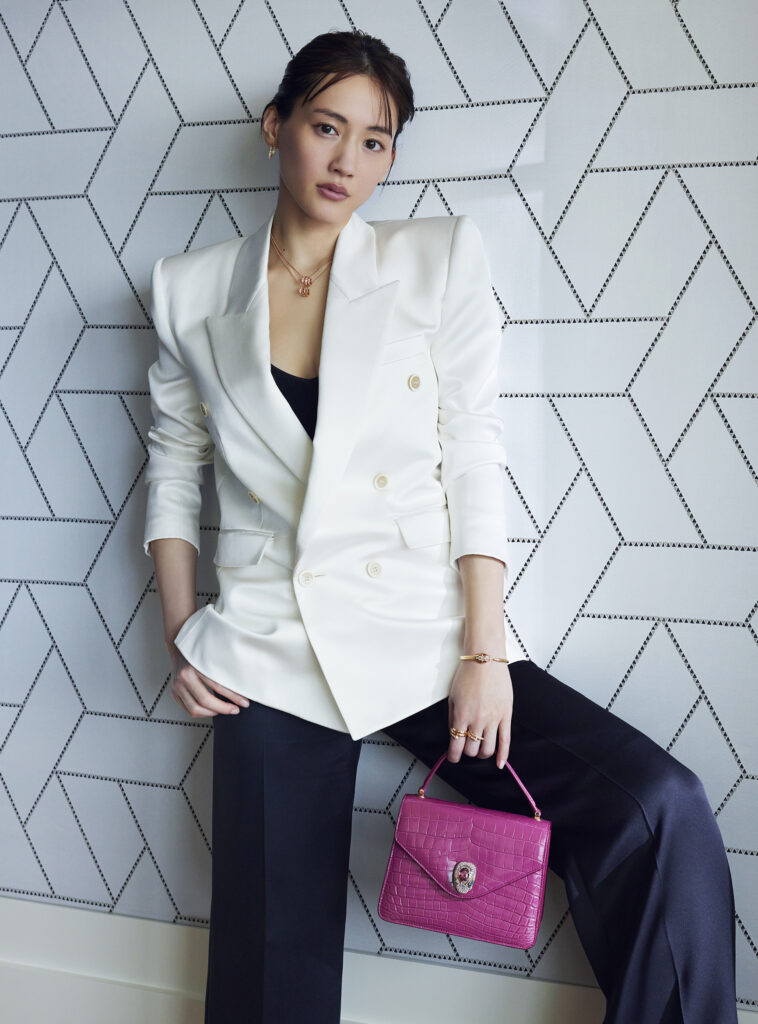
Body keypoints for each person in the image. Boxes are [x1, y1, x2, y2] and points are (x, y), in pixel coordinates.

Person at [142, 28, 738, 1024]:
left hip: (423, 634)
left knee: (654, 806)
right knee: (266, 971)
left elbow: (472, 451)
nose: (347, 159)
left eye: (375, 140)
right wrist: (178, 631)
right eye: (326, 127)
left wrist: (482, 650)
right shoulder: (187, 290)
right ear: (275, 126)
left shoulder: (435, 258)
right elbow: (172, 468)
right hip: (268, 648)